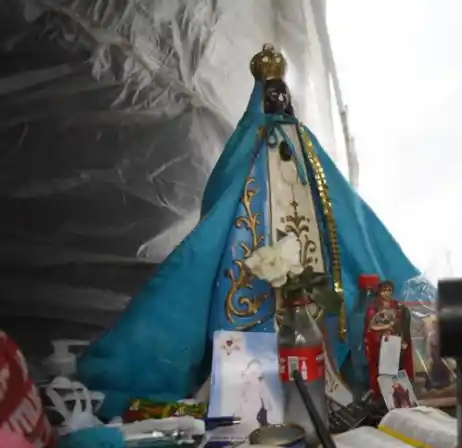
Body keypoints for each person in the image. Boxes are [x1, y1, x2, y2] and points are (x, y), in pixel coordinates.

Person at [76, 45, 418, 419]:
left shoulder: (305, 147)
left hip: (305, 236)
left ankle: (324, 373)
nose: (280, 101)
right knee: (246, 288)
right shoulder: (248, 147)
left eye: (283, 95)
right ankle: (252, 387)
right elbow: (225, 192)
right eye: (272, 95)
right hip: (254, 236)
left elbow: (339, 202)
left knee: (324, 301)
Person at [365, 280, 415, 402]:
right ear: (379, 291)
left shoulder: (399, 308)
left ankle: (400, 396)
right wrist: (384, 330)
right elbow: (371, 328)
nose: (387, 292)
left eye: (389, 290)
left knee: (398, 368)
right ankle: (382, 396)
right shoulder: (374, 309)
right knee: (383, 371)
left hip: (397, 344)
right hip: (381, 347)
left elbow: (403, 326)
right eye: (384, 290)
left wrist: (403, 340)